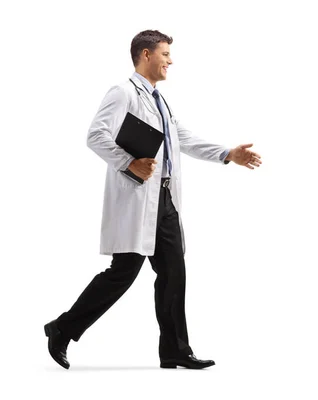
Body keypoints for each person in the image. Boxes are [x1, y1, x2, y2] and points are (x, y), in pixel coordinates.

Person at [44, 29, 262, 370]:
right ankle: (63, 328)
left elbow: (181, 138)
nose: (170, 60)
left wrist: (226, 154)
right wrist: (128, 161)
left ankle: (175, 349)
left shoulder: (159, 98)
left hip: (165, 200)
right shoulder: (123, 92)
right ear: (146, 55)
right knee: (123, 273)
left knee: (174, 273)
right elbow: (95, 135)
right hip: (137, 199)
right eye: (165, 54)